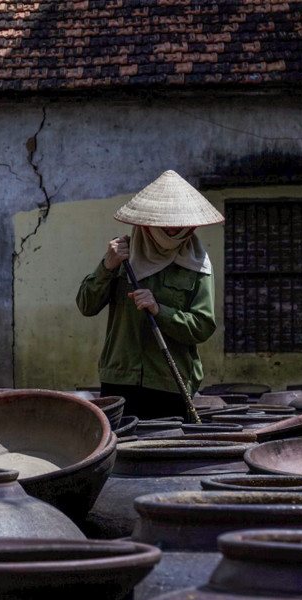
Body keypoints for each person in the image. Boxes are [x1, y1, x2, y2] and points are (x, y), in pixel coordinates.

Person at [76, 170, 222, 420]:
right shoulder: (122, 256)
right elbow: (86, 305)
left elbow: (203, 326)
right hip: (120, 379)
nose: (172, 230)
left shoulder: (197, 266)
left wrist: (159, 310)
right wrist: (107, 267)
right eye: (164, 223)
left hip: (170, 381)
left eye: (178, 224)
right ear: (147, 222)